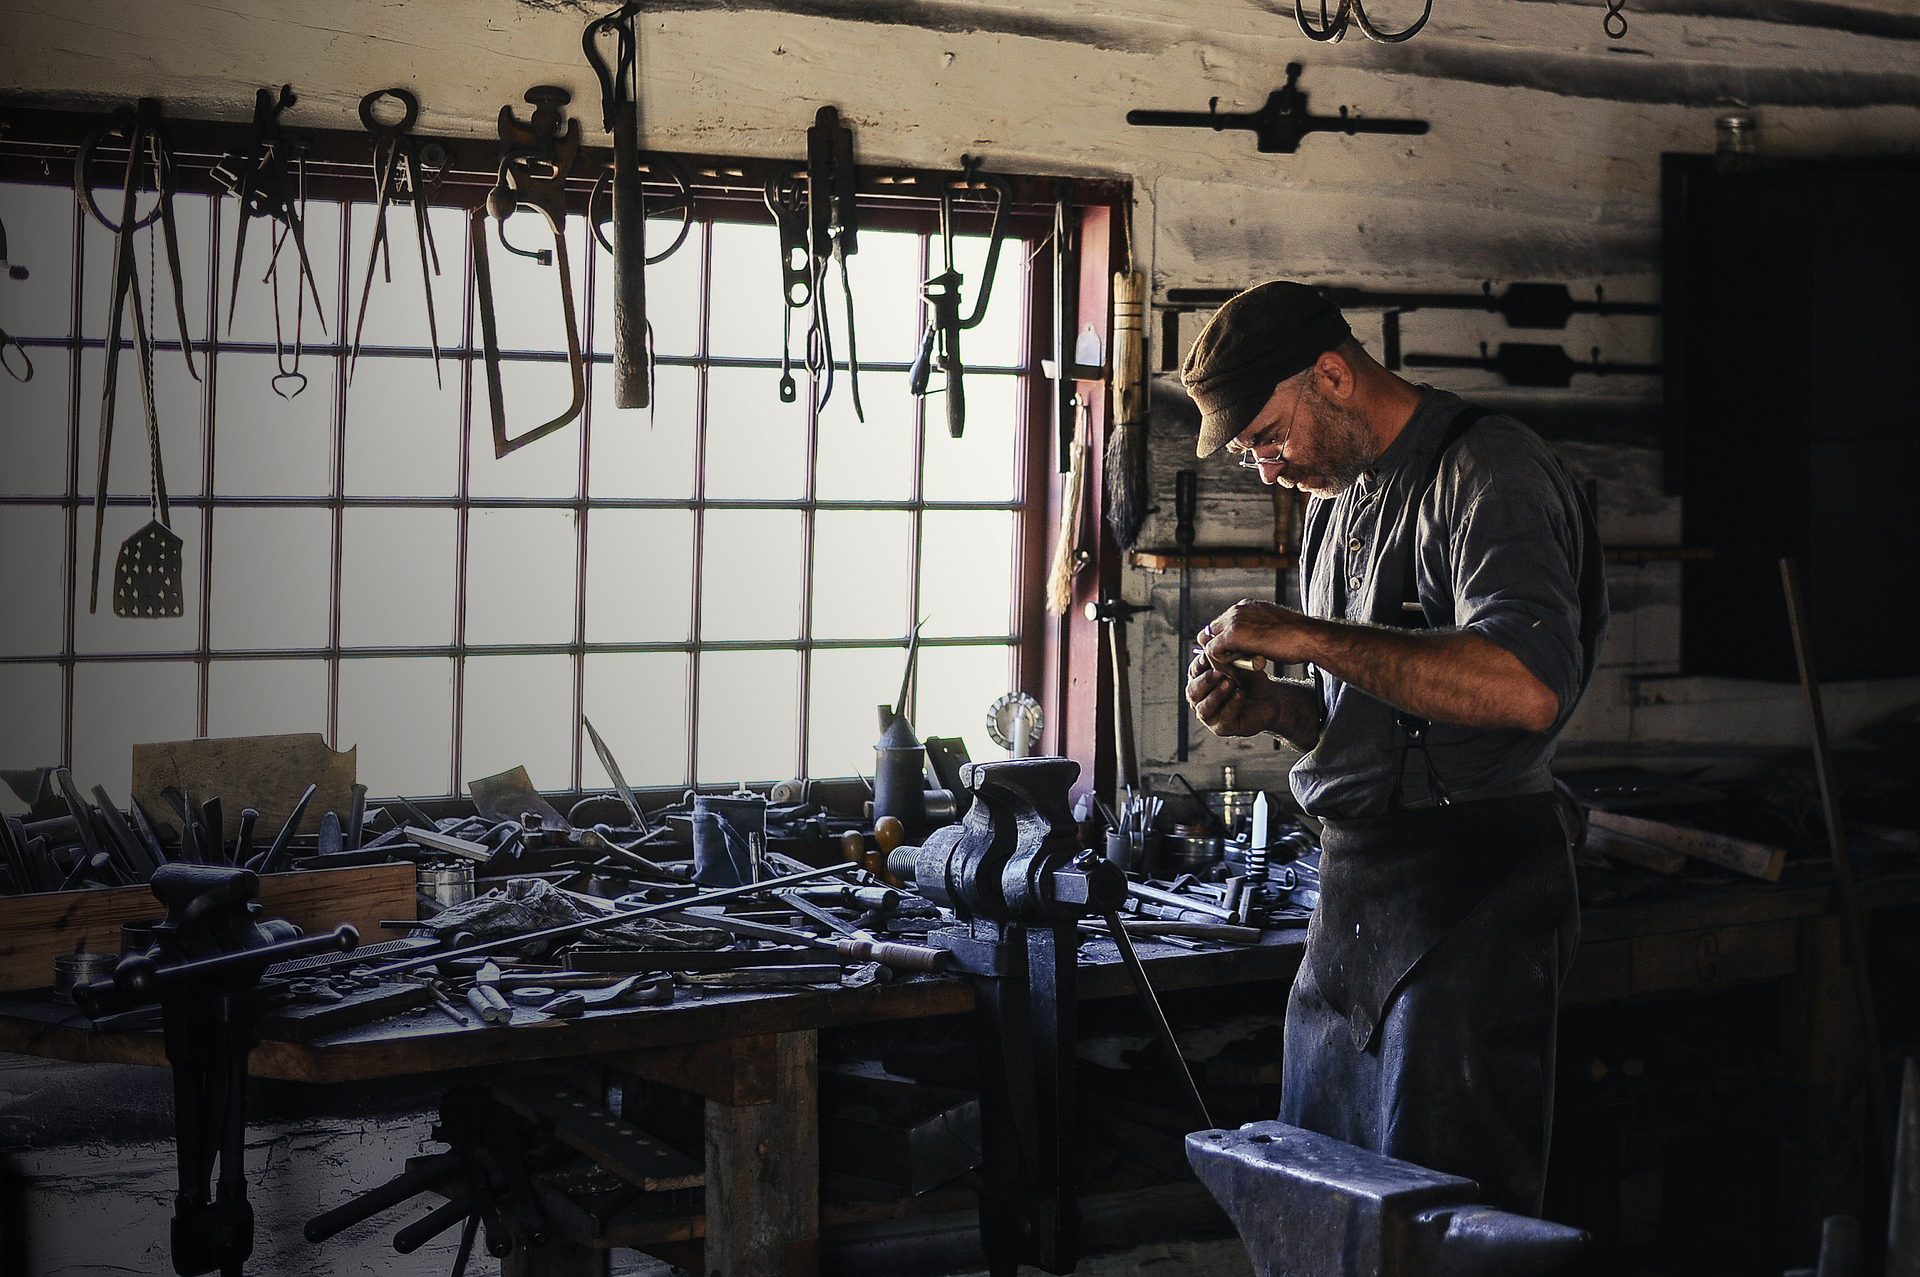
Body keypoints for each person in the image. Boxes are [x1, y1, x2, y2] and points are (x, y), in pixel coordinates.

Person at [1179, 280, 1607, 1216]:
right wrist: (1276, 706)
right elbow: (1381, 717)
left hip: (1471, 898)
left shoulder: (1487, 470)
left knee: (1439, 1223)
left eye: (1269, 437)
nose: (1267, 471)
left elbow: (1525, 685)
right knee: (1324, 1204)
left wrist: (1307, 635)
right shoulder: (1336, 506)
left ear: (1332, 375)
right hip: (1356, 902)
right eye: (1251, 452)